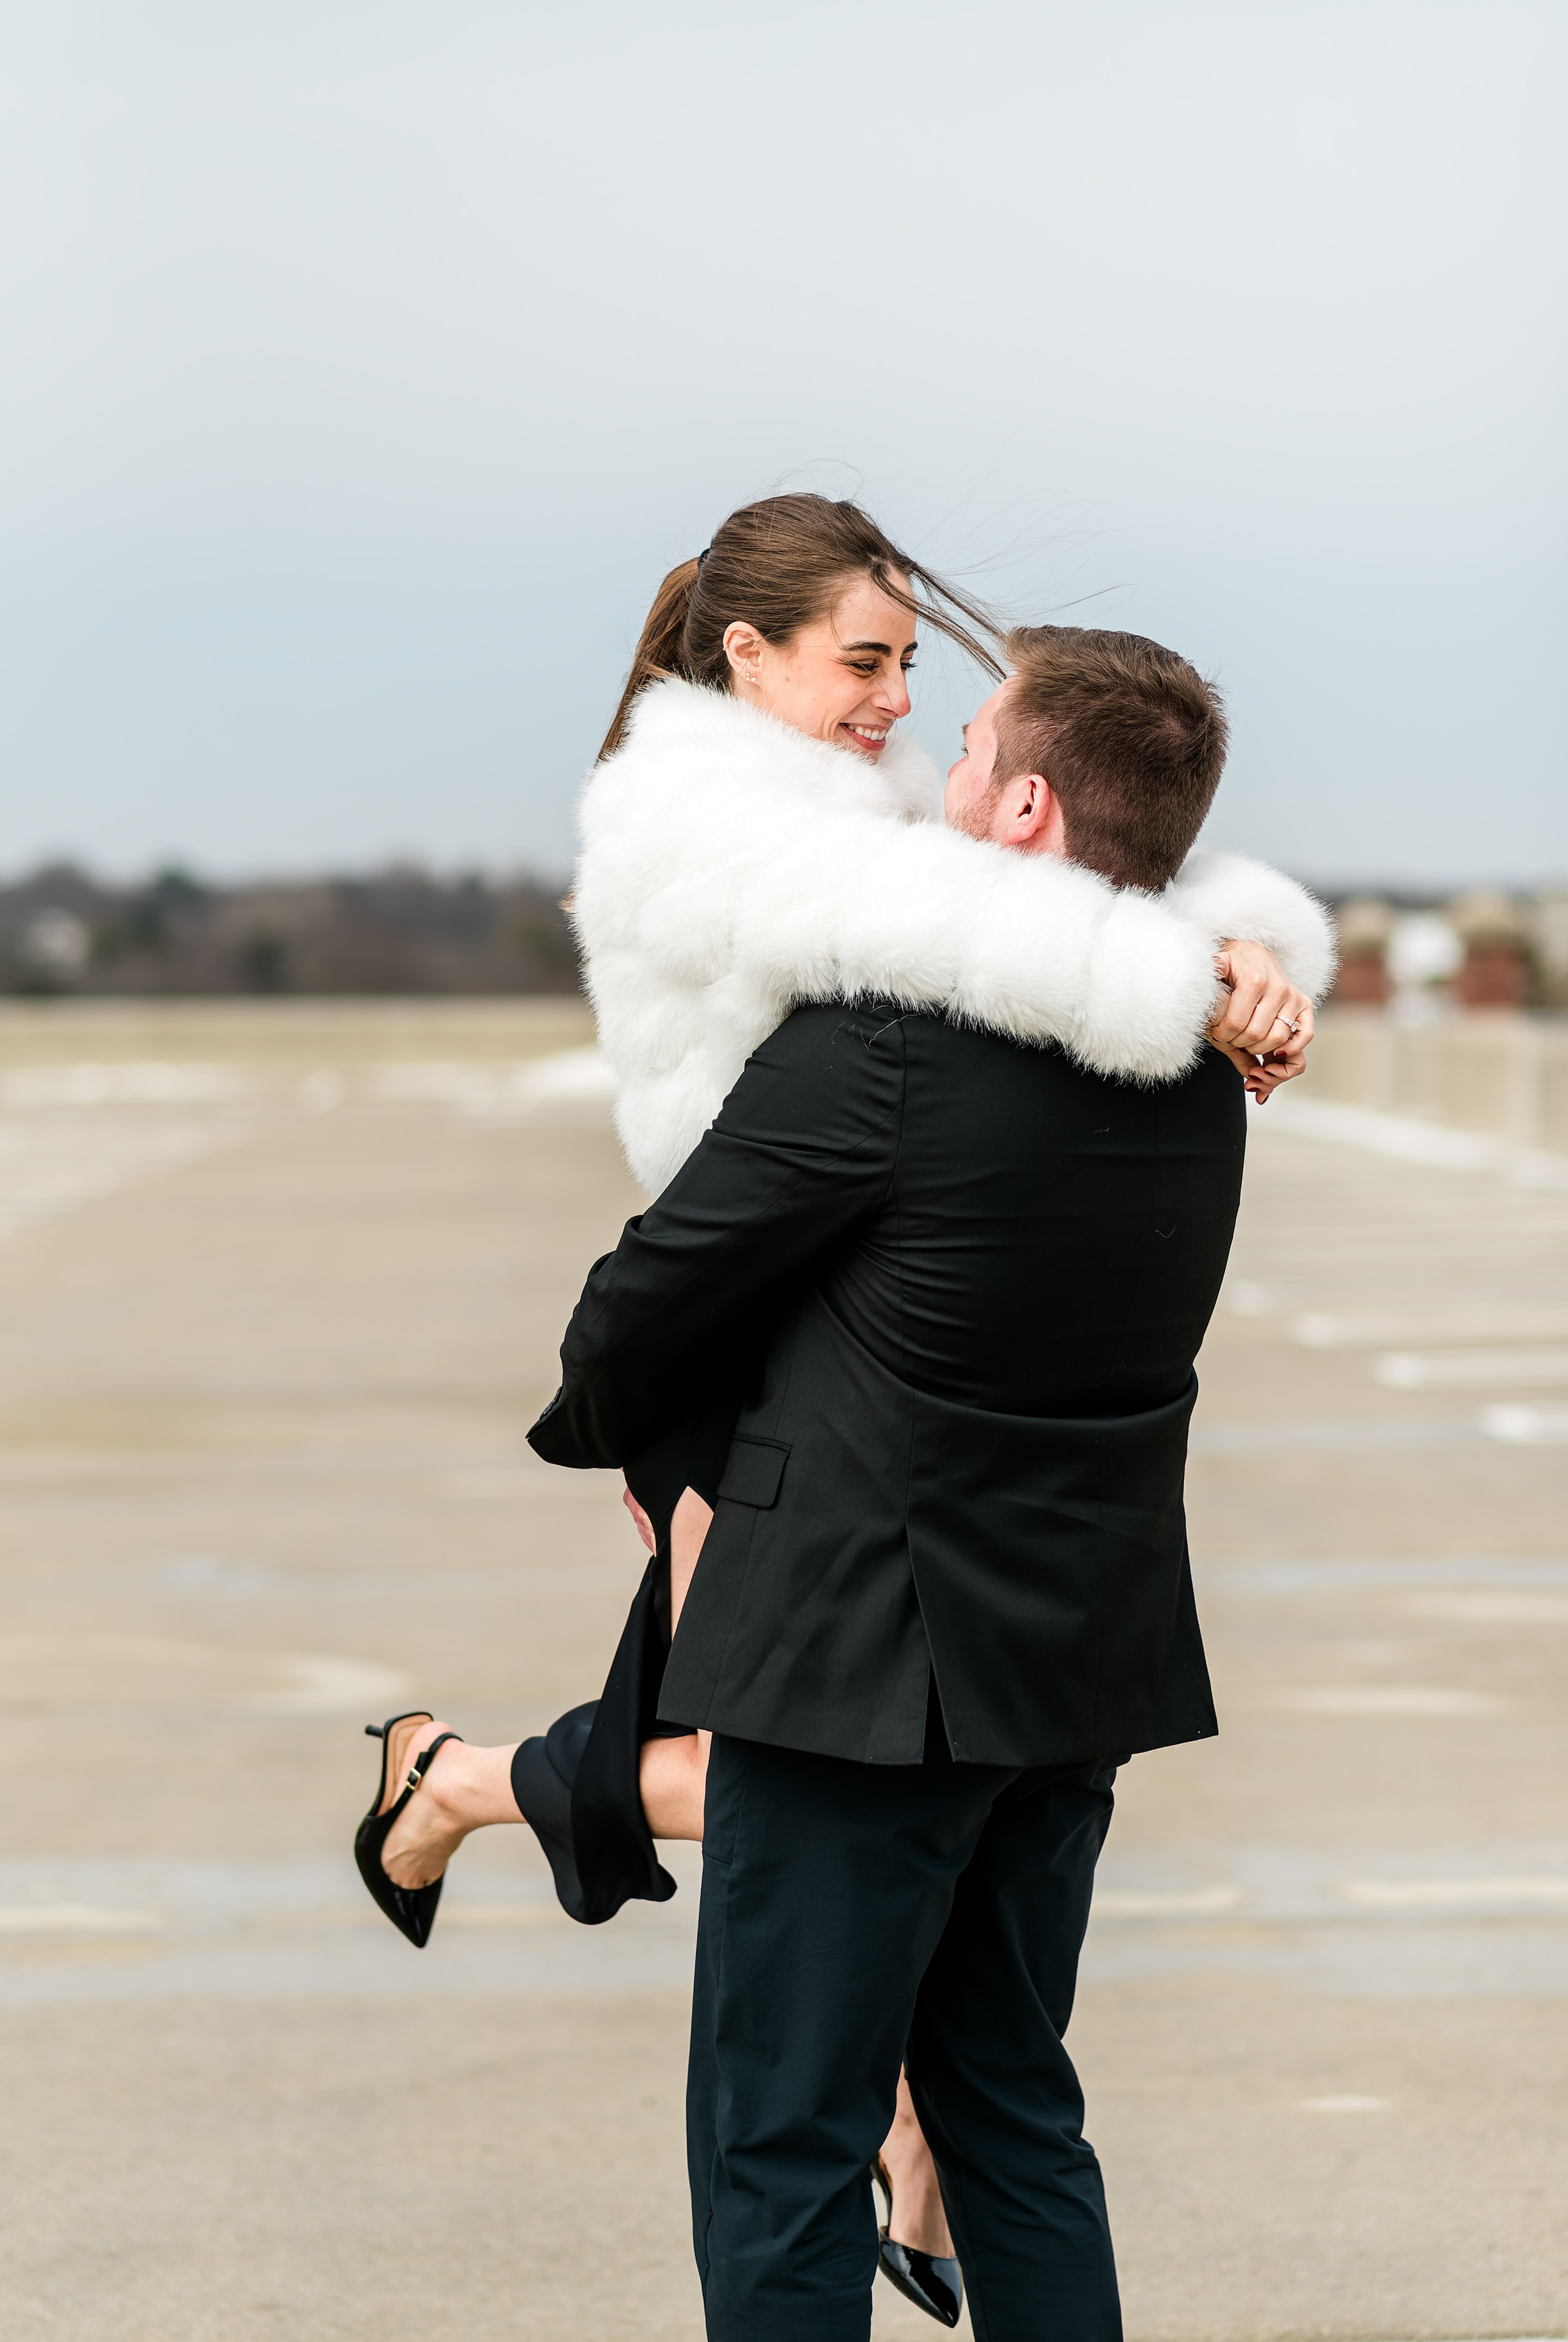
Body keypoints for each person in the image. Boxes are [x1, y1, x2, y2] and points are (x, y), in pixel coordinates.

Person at [353, 497, 1332, 2326]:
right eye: (881, 670)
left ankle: (459, 1785)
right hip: (1076, 1668)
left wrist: (640, 1440)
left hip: (865, 1668)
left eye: (961, 729)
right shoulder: (1209, 1064)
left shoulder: (892, 1041)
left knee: (781, 2144)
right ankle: (466, 1787)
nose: (926, 737)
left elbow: (646, 1294)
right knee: (1017, 2118)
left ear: (1024, 811)